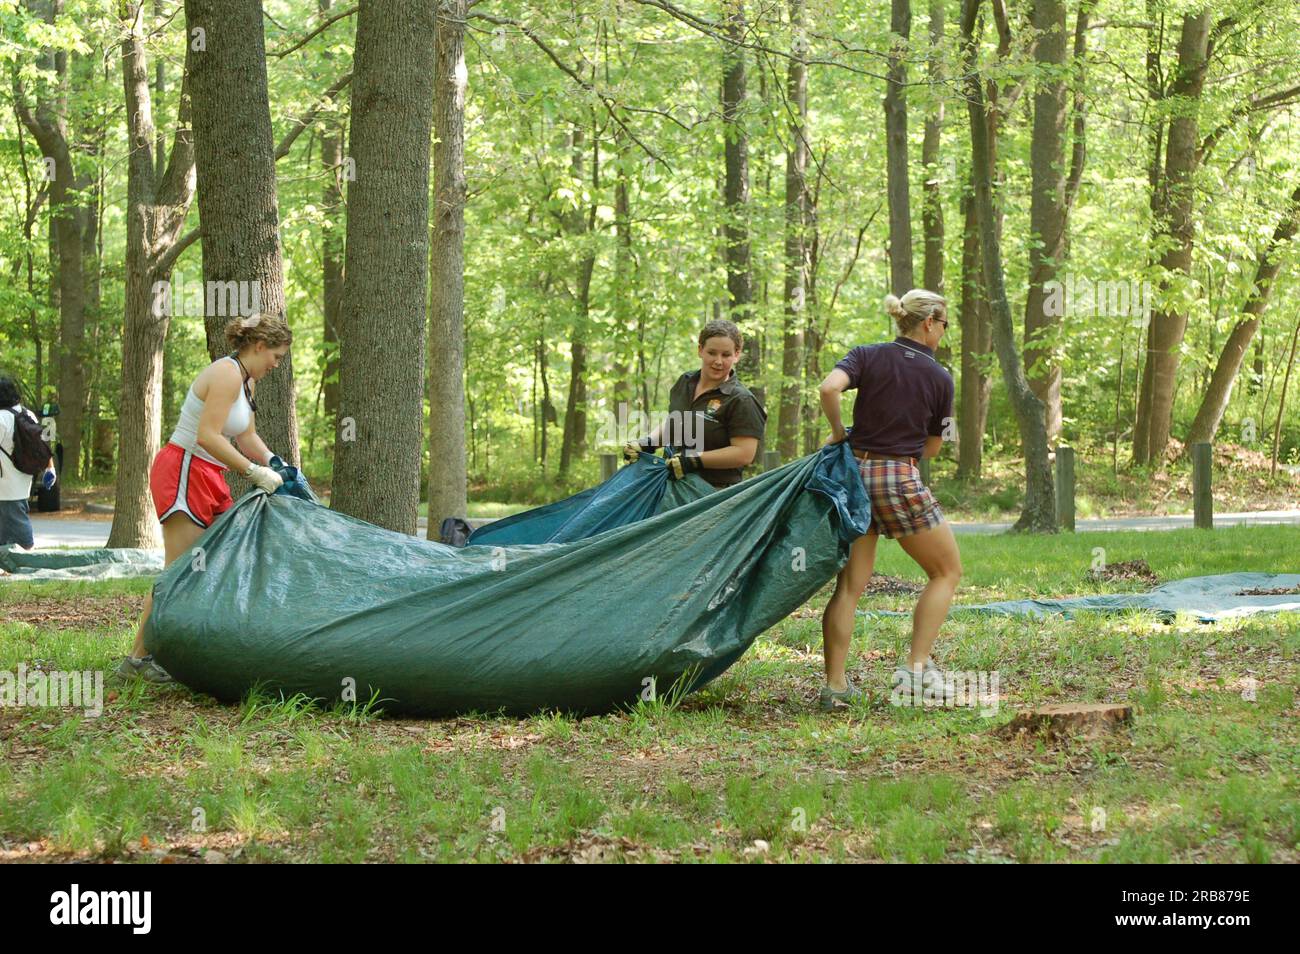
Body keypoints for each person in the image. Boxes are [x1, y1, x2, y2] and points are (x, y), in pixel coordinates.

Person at [118, 313, 291, 682]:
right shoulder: (227, 373)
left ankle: (191, 649)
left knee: (221, 560)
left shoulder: (246, 383)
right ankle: (136, 660)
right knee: (180, 569)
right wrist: (253, 472)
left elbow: (245, 437)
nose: (276, 365)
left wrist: (274, 461)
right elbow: (208, 436)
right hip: (183, 469)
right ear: (259, 346)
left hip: (210, 475)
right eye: (275, 356)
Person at [816, 290, 962, 711]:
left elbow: (828, 389)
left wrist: (841, 431)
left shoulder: (867, 354)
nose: (943, 332)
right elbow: (936, 447)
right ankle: (916, 670)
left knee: (850, 587)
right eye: (945, 324)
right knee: (946, 571)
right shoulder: (941, 378)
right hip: (897, 476)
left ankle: (836, 686)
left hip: (853, 478)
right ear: (930, 322)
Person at [624, 319, 766, 487]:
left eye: (726, 355)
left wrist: (695, 460)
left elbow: (744, 454)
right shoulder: (685, 382)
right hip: (672, 485)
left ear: (736, 355)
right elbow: (676, 423)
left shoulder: (741, 400)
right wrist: (648, 443)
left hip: (714, 495)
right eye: (712, 353)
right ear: (700, 350)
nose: (718, 361)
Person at [0, 375, 57, 551]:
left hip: (4, 480)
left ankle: (27, 555)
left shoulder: (1, 418)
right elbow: (43, 444)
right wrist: (51, 468)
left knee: (15, 522)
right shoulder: (27, 413)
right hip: (23, 475)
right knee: (14, 515)